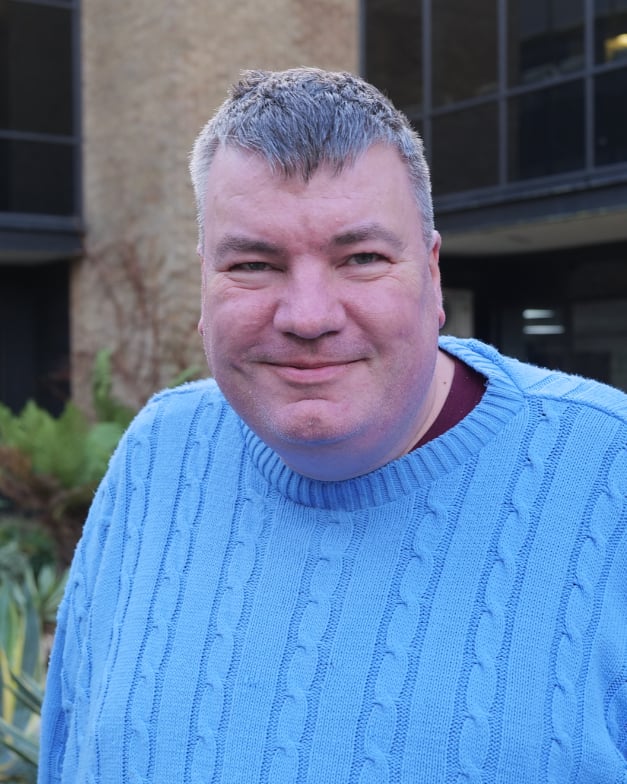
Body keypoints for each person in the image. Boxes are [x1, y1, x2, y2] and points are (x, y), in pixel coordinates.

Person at [38, 67, 627, 783]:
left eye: (362, 259)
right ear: (204, 282)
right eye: (254, 264)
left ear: (432, 275)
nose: (308, 316)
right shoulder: (158, 453)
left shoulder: (608, 474)